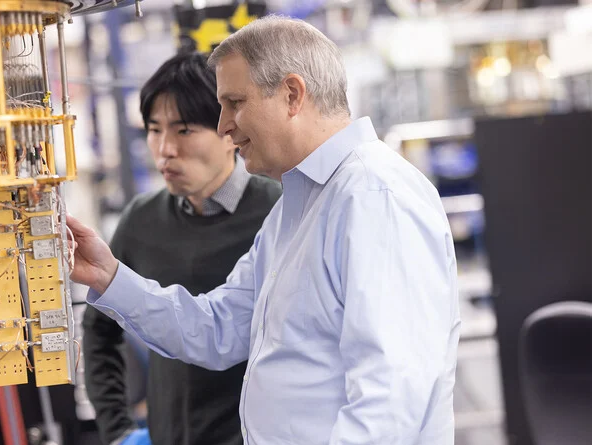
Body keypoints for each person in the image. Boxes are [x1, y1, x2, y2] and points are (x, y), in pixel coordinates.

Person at [68, 15, 461, 445]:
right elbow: (218, 327)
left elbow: (390, 401)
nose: (223, 125)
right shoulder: (296, 209)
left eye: (235, 102)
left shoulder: (374, 197)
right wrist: (108, 278)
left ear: (292, 94)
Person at [82, 52, 282, 445]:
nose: (164, 149)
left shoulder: (277, 211)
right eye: (154, 130)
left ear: (229, 131)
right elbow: (98, 331)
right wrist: (117, 430)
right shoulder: (142, 219)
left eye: (184, 130)